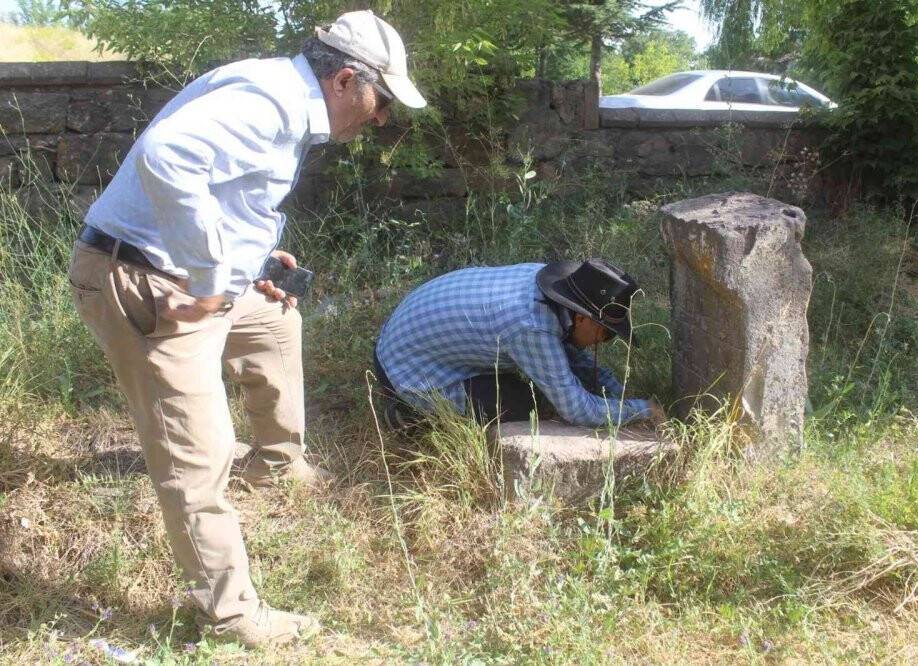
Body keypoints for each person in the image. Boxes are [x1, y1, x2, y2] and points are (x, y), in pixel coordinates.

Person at [66, 11, 426, 648]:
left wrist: (249, 264)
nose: (380, 119)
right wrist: (210, 277)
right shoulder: (269, 104)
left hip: (183, 276)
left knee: (273, 325)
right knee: (196, 457)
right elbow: (167, 157)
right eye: (381, 102)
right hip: (146, 284)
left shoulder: (280, 97)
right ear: (346, 80)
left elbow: (221, 187)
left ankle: (276, 464)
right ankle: (230, 615)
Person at [373, 259, 666, 428]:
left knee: (552, 378)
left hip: (402, 336)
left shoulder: (555, 285)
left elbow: (572, 355)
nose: (605, 341)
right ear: (583, 318)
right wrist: (643, 410)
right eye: (607, 333)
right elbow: (576, 410)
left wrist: (617, 392)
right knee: (529, 404)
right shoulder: (530, 326)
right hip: (407, 371)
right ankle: (410, 414)